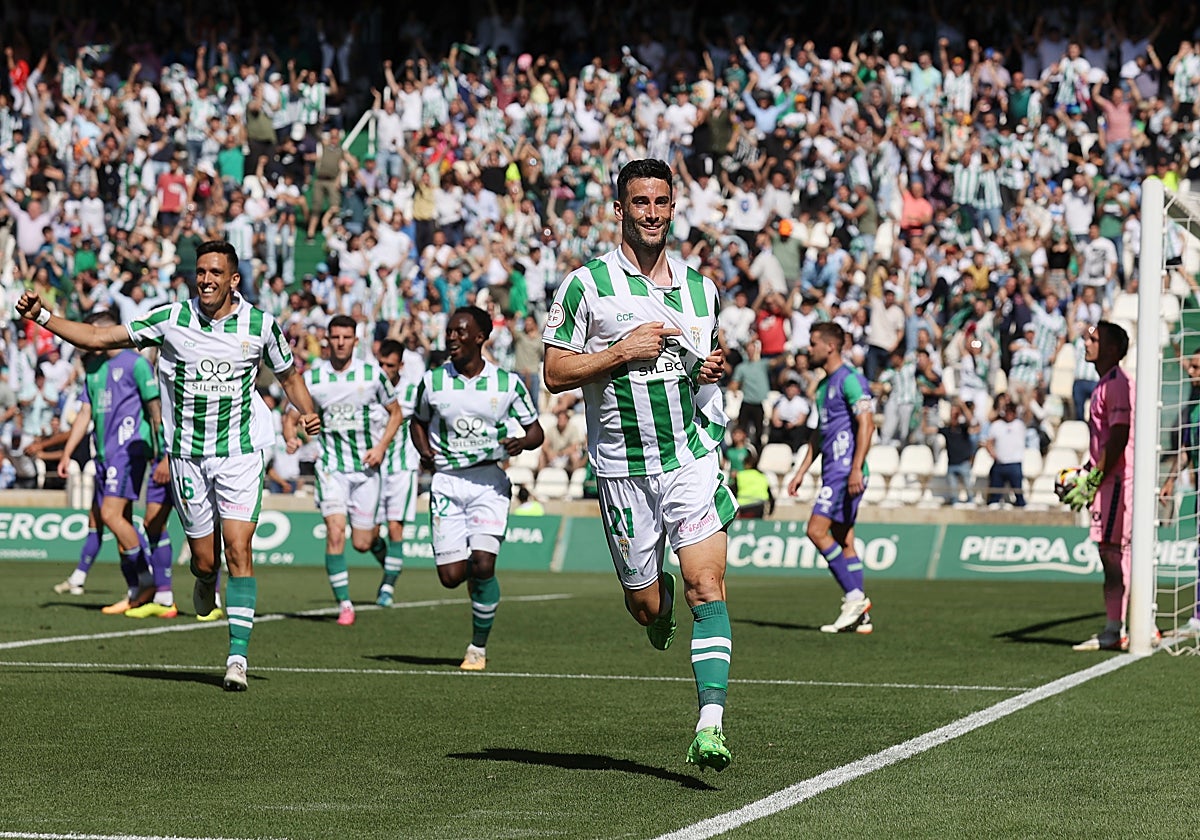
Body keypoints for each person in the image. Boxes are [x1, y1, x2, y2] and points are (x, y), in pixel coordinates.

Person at [16, 240, 321, 692]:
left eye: (216, 272)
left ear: (234, 279)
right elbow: (99, 338)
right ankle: (204, 577)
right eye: (201, 272)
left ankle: (237, 657)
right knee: (205, 559)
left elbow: (289, 375)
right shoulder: (171, 318)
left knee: (240, 550)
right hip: (187, 457)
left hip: (239, 453)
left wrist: (306, 411)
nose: (207, 280)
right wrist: (42, 315)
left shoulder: (260, 325)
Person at [542, 158, 736, 772]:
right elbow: (555, 373)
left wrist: (711, 369)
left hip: (689, 456)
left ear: (672, 207)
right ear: (620, 209)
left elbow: (701, 363)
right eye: (640, 202)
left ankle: (709, 724)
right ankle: (659, 603)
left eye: (661, 202)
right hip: (622, 470)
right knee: (646, 607)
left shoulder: (702, 289)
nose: (652, 213)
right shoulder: (586, 285)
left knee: (709, 585)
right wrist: (620, 352)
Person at [411, 306, 544, 672]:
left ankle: (477, 648)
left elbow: (536, 431)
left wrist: (521, 442)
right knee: (451, 578)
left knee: (484, 564)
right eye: (450, 331)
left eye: (460, 331)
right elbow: (417, 422)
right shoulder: (433, 381)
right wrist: (424, 452)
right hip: (447, 482)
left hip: (488, 482)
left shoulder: (507, 383)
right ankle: (474, 576)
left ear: (481, 337)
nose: (452, 337)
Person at [54, 310, 177, 617]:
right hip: (103, 455)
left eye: (90, 331)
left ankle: (147, 581)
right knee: (120, 520)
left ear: (103, 331)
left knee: (110, 515)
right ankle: (135, 590)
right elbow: (85, 413)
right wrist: (67, 452)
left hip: (129, 451)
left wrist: (164, 452)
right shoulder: (94, 369)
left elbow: (155, 409)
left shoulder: (136, 363)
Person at [285, 315, 403, 626]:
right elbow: (291, 415)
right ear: (327, 339)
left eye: (346, 337)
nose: (340, 343)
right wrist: (291, 436)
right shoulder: (313, 377)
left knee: (362, 543)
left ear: (355, 340)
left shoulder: (372, 375)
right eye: (335, 337)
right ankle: (345, 604)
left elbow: (396, 413)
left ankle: (384, 557)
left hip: (365, 470)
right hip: (331, 468)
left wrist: (381, 448)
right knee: (335, 532)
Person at [786, 321, 875, 635]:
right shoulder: (823, 387)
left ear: (830, 346)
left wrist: (856, 467)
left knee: (815, 530)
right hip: (833, 471)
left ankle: (854, 598)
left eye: (813, 343)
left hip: (844, 471)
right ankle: (861, 617)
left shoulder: (851, 379)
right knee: (844, 538)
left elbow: (867, 424)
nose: (808, 349)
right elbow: (819, 435)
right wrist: (800, 472)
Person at [1064, 322, 1135, 651]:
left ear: (1112, 348)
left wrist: (1094, 477)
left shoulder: (1117, 383)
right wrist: (1086, 472)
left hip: (1117, 480)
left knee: (1113, 553)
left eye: (1094, 339)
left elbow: (1119, 435)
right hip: (1108, 479)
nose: (1087, 343)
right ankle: (1126, 625)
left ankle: (1118, 627)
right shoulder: (1104, 384)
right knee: (1111, 552)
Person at [373, 338, 421, 606]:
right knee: (366, 536)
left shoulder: (412, 391)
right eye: (380, 364)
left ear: (400, 366)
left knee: (394, 528)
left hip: (402, 467)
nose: (384, 370)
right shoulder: (369, 387)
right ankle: (392, 565)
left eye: (389, 366)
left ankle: (388, 587)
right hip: (373, 469)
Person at [984, 396, 1027, 508]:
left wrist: (1022, 396)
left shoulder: (1020, 424)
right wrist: (992, 453)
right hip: (1000, 464)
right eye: (1007, 411)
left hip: (1014, 464)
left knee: (1019, 495)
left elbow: (1028, 412)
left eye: (1012, 411)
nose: (1009, 414)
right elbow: (988, 442)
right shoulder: (996, 425)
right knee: (994, 496)